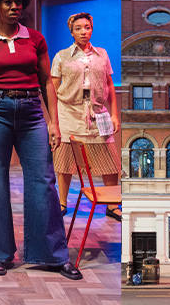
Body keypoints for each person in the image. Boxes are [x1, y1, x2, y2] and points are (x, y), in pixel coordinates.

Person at [0, 0, 81, 280]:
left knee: (43, 181)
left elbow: (47, 82)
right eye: (8, 2)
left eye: (18, 1)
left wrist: (53, 122)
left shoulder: (35, 39)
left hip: (32, 112)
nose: (15, 6)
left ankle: (52, 255)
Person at [50, 12, 121, 221]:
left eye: (87, 27)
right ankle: (62, 202)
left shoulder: (102, 54)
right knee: (65, 161)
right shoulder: (62, 56)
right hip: (69, 113)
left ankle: (112, 204)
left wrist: (115, 114)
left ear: (92, 29)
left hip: (98, 112)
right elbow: (52, 89)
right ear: (71, 31)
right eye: (79, 28)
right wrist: (53, 120)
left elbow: (109, 85)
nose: (83, 31)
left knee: (110, 159)